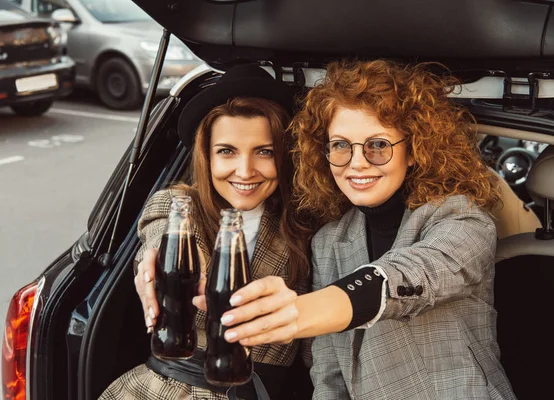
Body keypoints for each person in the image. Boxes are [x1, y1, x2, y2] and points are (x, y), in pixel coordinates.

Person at [200, 60, 517, 399]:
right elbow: (328, 372)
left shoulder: (463, 219)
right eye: (340, 145)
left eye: (378, 145)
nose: (357, 162)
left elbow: (410, 276)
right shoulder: (328, 240)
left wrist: (298, 311)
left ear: (414, 150)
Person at [100, 65, 314, 400]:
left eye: (264, 151)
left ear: (286, 155)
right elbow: (160, 236)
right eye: (227, 151)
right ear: (206, 155)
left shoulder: (306, 227)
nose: (245, 171)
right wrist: (161, 265)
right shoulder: (178, 205)